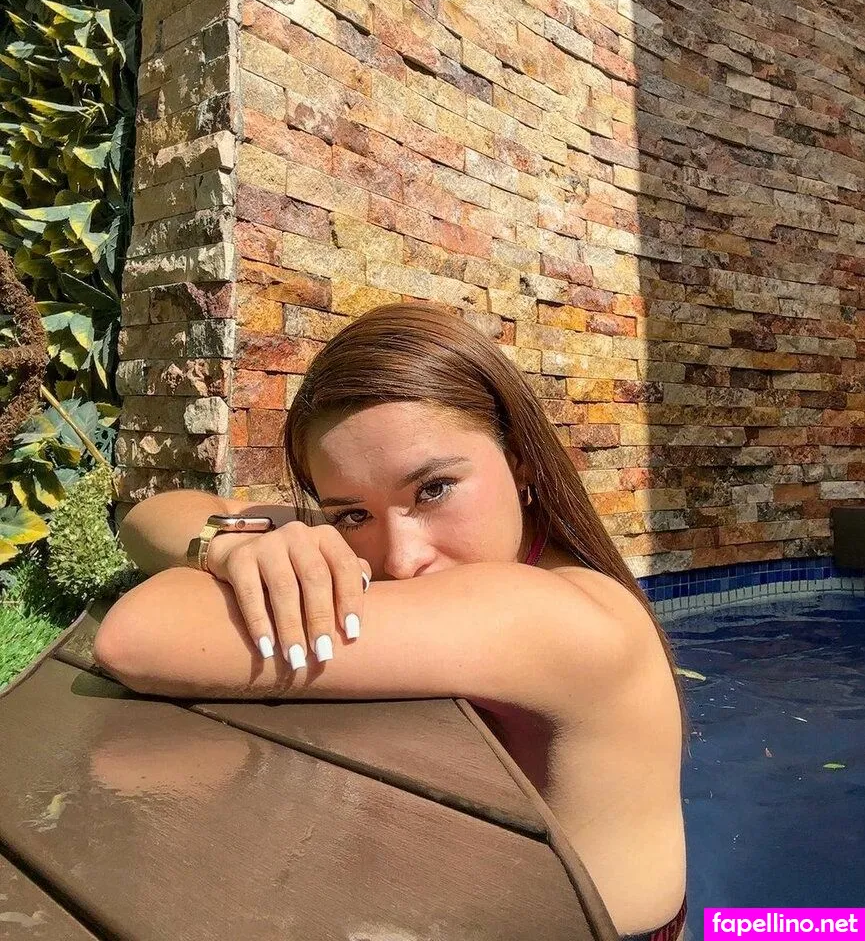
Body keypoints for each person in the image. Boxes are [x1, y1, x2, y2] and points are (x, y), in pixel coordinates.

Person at [94, 301, 690, 940]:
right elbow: (151, 516)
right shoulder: (497, 559)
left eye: (433, 490)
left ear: (519, 460)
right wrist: (233, 543)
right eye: (352, 514)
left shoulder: (547, 617)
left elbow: (140, 635)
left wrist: (244, 547)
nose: (401, 560)